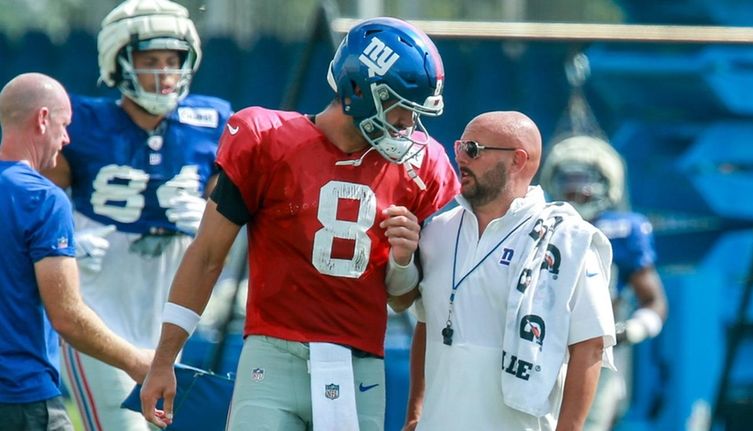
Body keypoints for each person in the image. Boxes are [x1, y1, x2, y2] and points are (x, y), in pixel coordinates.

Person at [140, 17, 458, 431]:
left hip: (360, 365)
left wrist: (402, 261)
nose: (408, 125)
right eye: (400, 106)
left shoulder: (423, 164)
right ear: (358, 90)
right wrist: (164, 359)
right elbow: (206, 257)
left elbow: (408, 301)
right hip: (271, 356)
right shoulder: (266, 138)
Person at [42, 0, 232, 429]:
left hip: (167, 308)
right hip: (96, 303)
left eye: (173, 59)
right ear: (120, 61)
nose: (165, 72)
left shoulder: (212, 119)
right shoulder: (81, 120)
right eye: (151, 60)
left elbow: (228, 216)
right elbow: (37, 199)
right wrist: (70, 233)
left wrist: (206, 213)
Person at [402, 111, 617, 431]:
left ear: (518, 160)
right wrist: (415, 413)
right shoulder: (435, 230)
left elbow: (589, 346)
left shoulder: (567, 239)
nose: (460, 157)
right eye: (460, 146)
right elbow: (427, 323)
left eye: (473, 149)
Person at [0, 73, 153, 431]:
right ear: (41, 119)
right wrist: (135, 361)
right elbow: (67, 317)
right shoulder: (42, 197)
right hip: (22, 399)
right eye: (63, 125)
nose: (66, 139)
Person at [539, 135, 668, 431]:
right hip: (541, 347)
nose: (573, 188)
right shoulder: (539, 222)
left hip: (595, 353)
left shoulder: (623, 230)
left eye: (582, 180)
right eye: (567, 179)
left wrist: (628, 331)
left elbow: (655, 302)